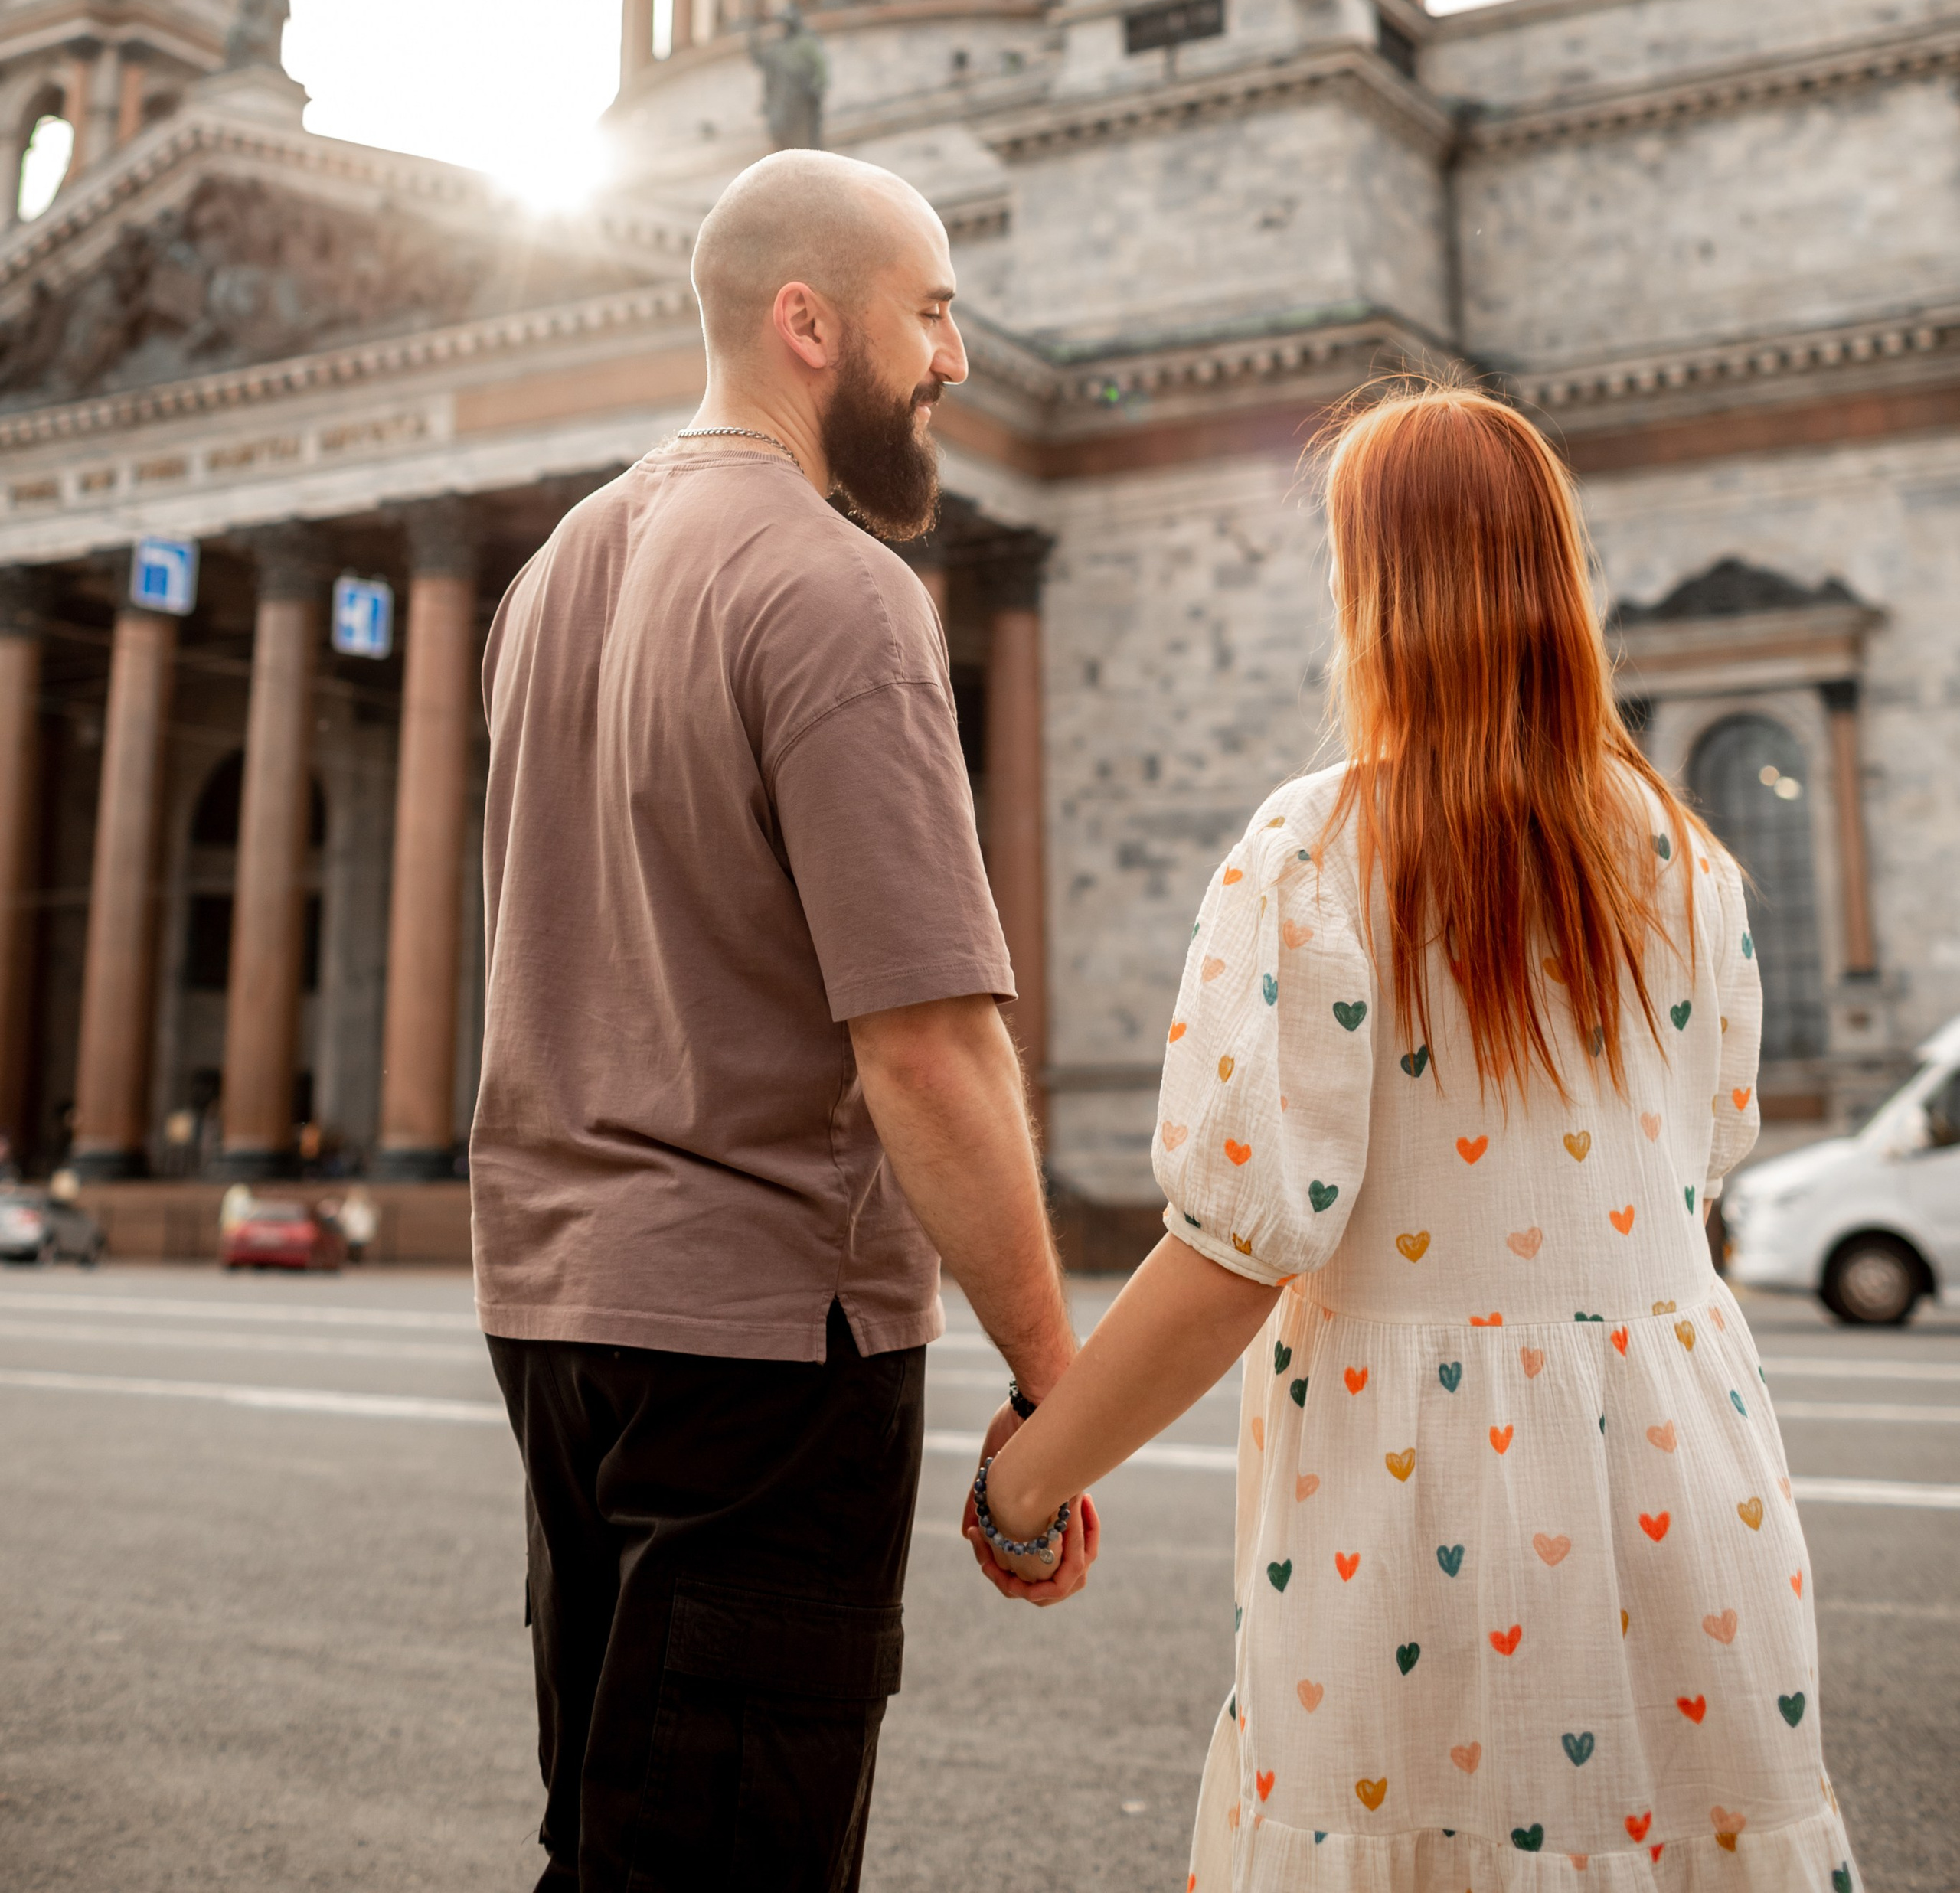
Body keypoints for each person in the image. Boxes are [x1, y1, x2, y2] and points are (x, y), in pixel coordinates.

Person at [971, 386, 1860, 1891]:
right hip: (1689, 1476)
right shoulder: (1684, 859)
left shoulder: (1315, 855)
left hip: (1411, 1495)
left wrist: (1023, 1488)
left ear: (1373, 594)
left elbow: (1233, 1254)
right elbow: (1692, 1176)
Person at [472, 148, 1093, 1893]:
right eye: (931, 314)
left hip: (560, 1322)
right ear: (807, 324)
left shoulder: (553, 577)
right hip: (765, 1339)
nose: (955, 358)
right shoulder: (838, 590)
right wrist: (1057, 1394)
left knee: (612, 1839)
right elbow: (926, 1047)